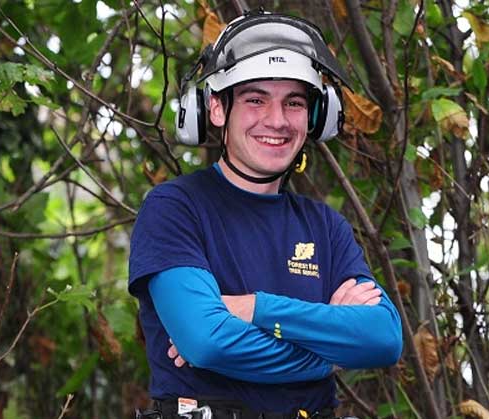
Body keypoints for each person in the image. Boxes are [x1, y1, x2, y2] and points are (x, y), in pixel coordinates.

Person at [129, 9, 402, 419]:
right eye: (255, 99)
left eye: (293, 102)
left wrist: (254, 308)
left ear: (315, 117)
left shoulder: (325, 226)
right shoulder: (175, 208)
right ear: (217, 109)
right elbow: (207, 340)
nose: (276, 121)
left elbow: (383, 338)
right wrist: (328, 354)